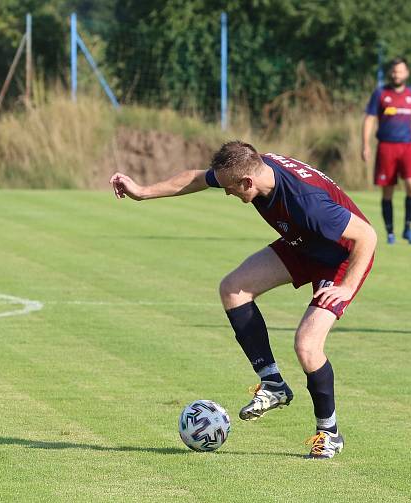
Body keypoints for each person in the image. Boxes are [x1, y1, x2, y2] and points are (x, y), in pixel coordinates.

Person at [110, 141, 377, 459]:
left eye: (230, 189)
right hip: (304, 243)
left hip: (342, 257)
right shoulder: (248, 167)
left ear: (247, 182)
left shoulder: (307, 203)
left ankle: (329, 434)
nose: (226, 193)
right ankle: (273, 383)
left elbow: (366, 236)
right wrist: (142, 191)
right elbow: (196, 178)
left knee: (307, 345)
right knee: (234, 288)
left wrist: (346, 287)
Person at [361, 56, 411, 245]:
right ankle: (390, 232)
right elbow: (369, 119)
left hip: (407, 146)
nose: (397, 74)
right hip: (386, 147)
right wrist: (365, 144)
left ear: (406, 73)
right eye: (394, 71)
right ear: (390, 73)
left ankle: (408, 228)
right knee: (388, 191)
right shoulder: (380, 94)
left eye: (400, 71)